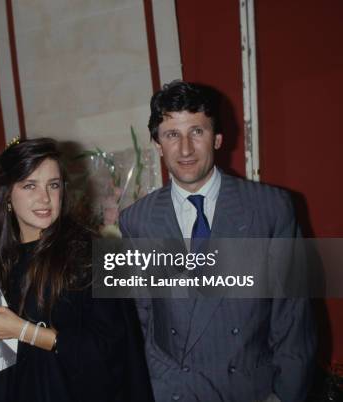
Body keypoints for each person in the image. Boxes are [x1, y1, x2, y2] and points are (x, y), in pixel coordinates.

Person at [119, 81, 316, 402]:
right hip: (172, 392)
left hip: (249, 391)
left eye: (196, 132)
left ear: (218, 138)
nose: (185, 149)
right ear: (157, 144)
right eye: (172, 135)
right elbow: (142, 320)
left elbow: (293, 318)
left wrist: (283, 395)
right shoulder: (136, 221)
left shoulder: (270, 208)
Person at [0, 138, 153, 402]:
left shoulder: (98, 255)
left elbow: (112, 351)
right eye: (29, 186)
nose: (44, 198)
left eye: (53, 185)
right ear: (8, 196)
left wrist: (24, 331)